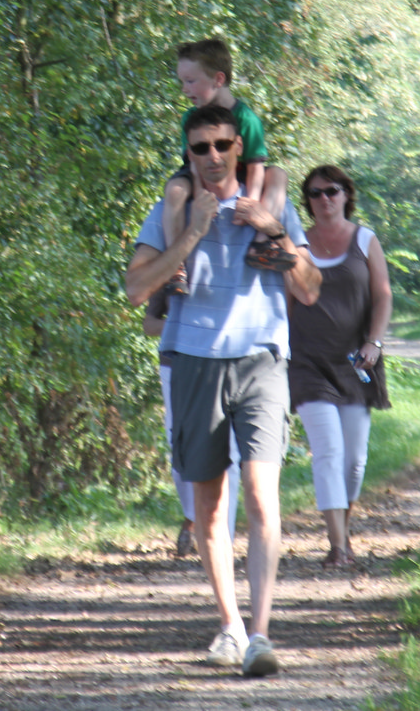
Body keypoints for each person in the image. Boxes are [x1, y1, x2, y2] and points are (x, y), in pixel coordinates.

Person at [126, 104, 321, 678]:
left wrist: (271, 228)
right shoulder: (172, 212)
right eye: (199, 148)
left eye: (221, 145)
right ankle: (230, 626)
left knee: (261, 495)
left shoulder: (269, 207)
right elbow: (136, 290)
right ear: (188, 155)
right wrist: (192, 233)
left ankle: (260, 634)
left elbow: (310, 288)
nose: (211, 156)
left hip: (261, 360)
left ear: (240, 148)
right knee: (210, 507)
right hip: (194, 362)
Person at [287, 165, 393, 569]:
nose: (324, 199)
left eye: (331, 191)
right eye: (315, 193)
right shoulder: (297, 245)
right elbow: (287, 302)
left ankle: (342, 532)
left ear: (346, 194)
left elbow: (382, 296)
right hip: (308, 365)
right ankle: (338, 546)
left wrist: (374, 342)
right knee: (328, 451)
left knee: (354, 460)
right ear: (307, 201)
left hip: (356, 363)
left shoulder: (365, 240)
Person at [161, 39, 293, 295]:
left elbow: (255, 166)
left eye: (190, 81)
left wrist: (251, 202)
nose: (185, 89)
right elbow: (193, 164)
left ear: (218, 79)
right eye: (182, 82)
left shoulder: (246, 118)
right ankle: (176, 265)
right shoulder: (189, 118)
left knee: (278, 174)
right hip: (203, 173)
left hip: (240, 172)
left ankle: (261, 244)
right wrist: (201, 195)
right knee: (174, 189)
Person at [144, 287, 240, 558]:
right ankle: (193, 516)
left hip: (227, 361)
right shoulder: (171, 267)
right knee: (181, 452)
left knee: (229, 453)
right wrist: (186, 327)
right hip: (175, 364)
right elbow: (149, 324)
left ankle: (223, 542)